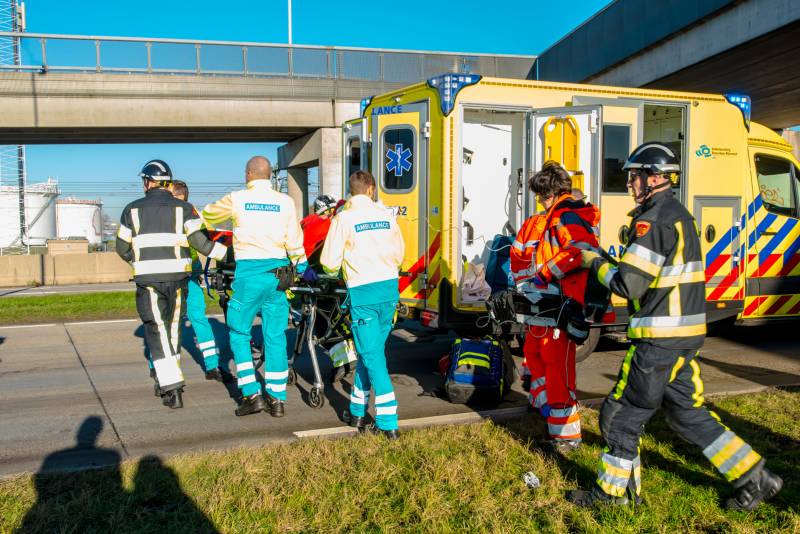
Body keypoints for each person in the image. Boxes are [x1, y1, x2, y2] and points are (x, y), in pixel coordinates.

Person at [570, 142, 783, 509]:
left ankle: (612, 495)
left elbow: (629, 285)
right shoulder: (677, 214)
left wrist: (593, 262)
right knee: (687, 413)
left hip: (658, 341)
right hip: (684, 337)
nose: (629, 184)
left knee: (620, 414)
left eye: (633, 176)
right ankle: (755, 476)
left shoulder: (651, 220)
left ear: (653, 178)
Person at [116, 160, 228, 409]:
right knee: (174, 330)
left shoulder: (131, 210)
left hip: (148, 282)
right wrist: (231, 256)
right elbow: (201, 244)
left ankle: (171, 386)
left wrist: (140, 260)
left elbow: (121, 248)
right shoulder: (185, 209)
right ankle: (170, 381)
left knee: (156, 331)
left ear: (147, 181)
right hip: (179, 280)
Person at [202, 156, 308, 417]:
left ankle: (251, 394)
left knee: (239, 333)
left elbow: (207, 215)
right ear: (270, 175)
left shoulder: (237, 199)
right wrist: (302, 268)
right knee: (275, 336)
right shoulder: (286, 202)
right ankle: (277, 399)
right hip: (278, 277)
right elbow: (295, 241)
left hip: (249, 276)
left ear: (249, 174)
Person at [320, 170, 405, 439]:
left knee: (371, 355)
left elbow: (329, 262)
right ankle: (357, 411)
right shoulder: (387, 217)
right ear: (371, 189)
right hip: (389, 291)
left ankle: (388, 421)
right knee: (371, 352)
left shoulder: (343, 219)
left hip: (363, 295)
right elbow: (400, 255)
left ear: (351, 191)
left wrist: (338, 273)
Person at [525, 162, 601, 453]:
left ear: (550, 193)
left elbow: (578, 252)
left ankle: (567, 438)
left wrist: (545, 273)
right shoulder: (568, 213)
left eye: (542, 197)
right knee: (550, 364)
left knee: (559, 372)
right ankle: (557, 429)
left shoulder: (564, 216)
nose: (541, 203)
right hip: (562, 301)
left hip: (566, 302)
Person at [171, 180, 233, 384]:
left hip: (180, 273)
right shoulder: (193, 211)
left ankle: (162, 368)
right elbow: (208, 238)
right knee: (196, 319)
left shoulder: (172, 212)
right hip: (187, 271)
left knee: (171, 322)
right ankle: (212, 366)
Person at [300, 195, 344, 265]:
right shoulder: (318, 223)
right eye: (327, 212)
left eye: (333, 211)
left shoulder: (306, 222)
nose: (331, 214)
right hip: (313, 264)